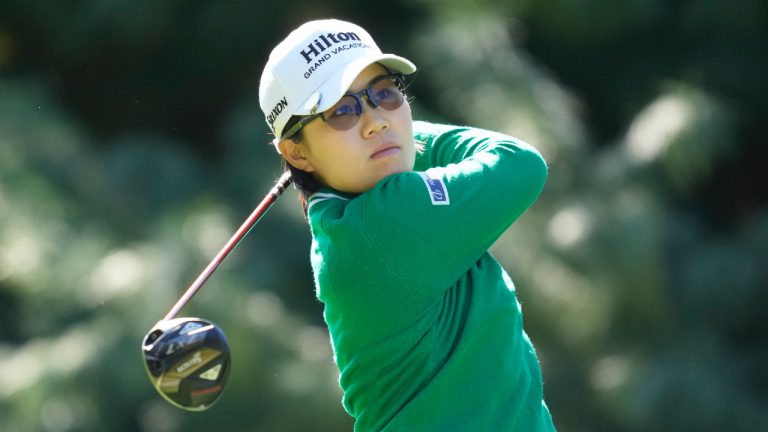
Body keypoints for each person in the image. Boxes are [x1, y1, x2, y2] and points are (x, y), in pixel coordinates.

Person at [259, 19, 555, 431]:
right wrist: (401, 138)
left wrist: (392, 140)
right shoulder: (387, 222)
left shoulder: (340, 224)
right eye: (342, 111)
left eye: (384, 93)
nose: (376, 121)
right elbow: (520, 164)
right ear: (296, 153)